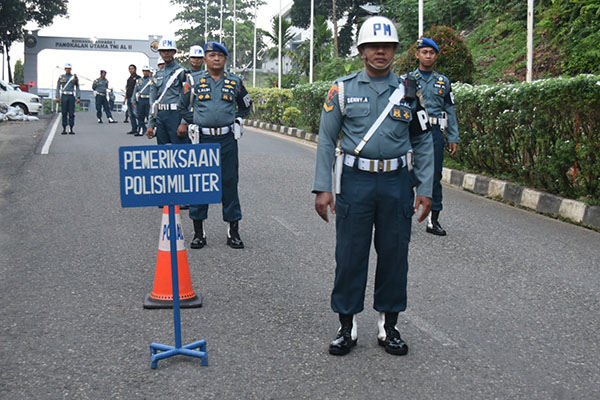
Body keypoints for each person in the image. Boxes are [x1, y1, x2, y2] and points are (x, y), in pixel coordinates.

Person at [312, 16, 434, 357]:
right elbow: (325, 139)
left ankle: (388, 326)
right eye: (373, 46)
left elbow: (423, 141)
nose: (380, 52)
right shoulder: (343, 89)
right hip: (355, 180)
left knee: (395, 254)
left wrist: (426, 188)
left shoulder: (409, 91)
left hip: (397, 182)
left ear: (395, 51)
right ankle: (346, 326)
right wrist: (323, 187)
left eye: (387, 46)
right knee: (350, 254)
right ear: (362, 50)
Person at [178, 41, 252, 249]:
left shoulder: (235, 81)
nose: (216, 58)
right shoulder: (193, 81)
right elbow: (182, 107)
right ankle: (199, 232)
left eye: (220, 55)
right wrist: (197, 120)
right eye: (211, 55)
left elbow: (246, 106)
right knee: (200, 184)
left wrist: (233, 118)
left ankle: (233, 232)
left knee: (229, 183)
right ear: (205, 59)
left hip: (227, 140)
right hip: (203, 140)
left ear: (225, 59)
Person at [410, 38, 459, 236]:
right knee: (407, 175)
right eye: (424, 52)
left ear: (436, 56)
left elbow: (450, 109)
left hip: (435, 134)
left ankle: (433, 220)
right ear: (417, 55)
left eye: (431, 52)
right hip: (413, 134)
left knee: (435, 176)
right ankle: (402, 215)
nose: (428, 55)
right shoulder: (409, 80)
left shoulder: (443, 82)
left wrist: (453, 137)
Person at [147, 37, 189, 145]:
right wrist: (150, 124)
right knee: (162, 151)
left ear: (174, 52)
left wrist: (184, 122)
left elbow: (189, 99)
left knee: (180, 150)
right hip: (161, 115)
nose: (166, 53)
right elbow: (153, 101)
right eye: (163, 51)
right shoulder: (157, 74)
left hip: (176, 115)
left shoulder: (182, 72)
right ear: (160, 53)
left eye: (169, 51)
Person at [55, 63, 81, 134]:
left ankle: (71, 128)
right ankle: (64, 128)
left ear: (71, 69)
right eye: (67, 68)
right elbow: (58, 87)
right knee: (64, 112)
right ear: (65, 69)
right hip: (64, 96)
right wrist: (57, 96)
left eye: (69, 68)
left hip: (71, 96)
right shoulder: (61, 77)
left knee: (71, 113)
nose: (68, 70)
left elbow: (77, 88)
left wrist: (78, 97)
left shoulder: (74, 77)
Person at [131, 65, 153, 136]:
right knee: (140, 115)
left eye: (147, 71)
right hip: (141, 99)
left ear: (149, 72)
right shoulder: (139, 80)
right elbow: (135, 90)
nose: (145, 72)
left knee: (149, 115)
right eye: (144, 71)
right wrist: (133, 100)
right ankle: (141, 129)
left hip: (149, 99)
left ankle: (150, 129)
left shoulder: (152, 80)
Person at [124, 64, 140, 133]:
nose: (131, 70)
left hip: (135, 99)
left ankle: (141, 128)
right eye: (130, 69)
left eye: (132, 69)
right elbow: (127, 89)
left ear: (135, 69)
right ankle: (134, 129)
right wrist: (125, 98)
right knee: (131, 115)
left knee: (136, 114)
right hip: (129, 98)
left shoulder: (138, 78)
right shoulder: (129, 79)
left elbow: (139, 89)